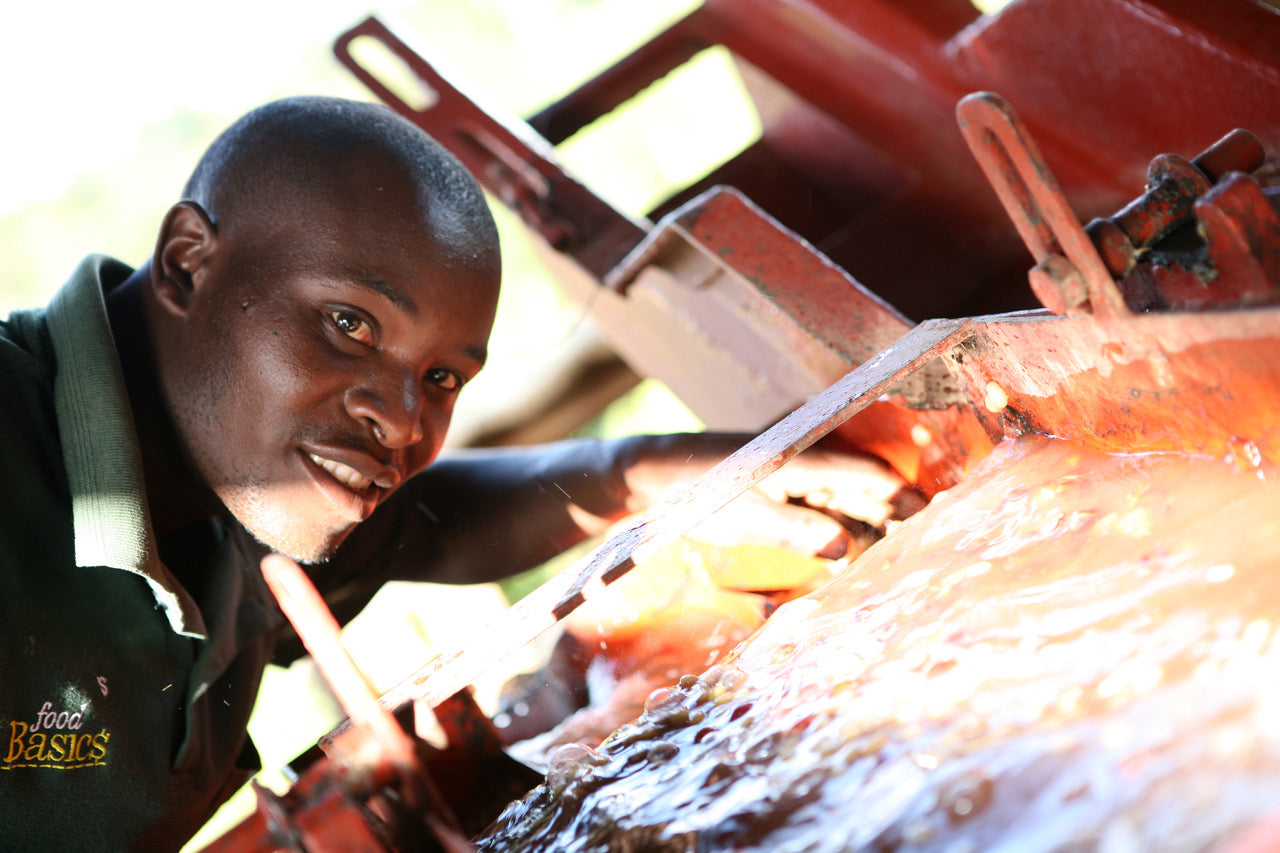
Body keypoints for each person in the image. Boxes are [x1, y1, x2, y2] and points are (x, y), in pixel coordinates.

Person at [0, 96, 913, 849]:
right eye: (351, 325)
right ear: (187, 261)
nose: (403, 422)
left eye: (441, 378)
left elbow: (428, 524)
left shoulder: (232, 480)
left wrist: (650, 475)